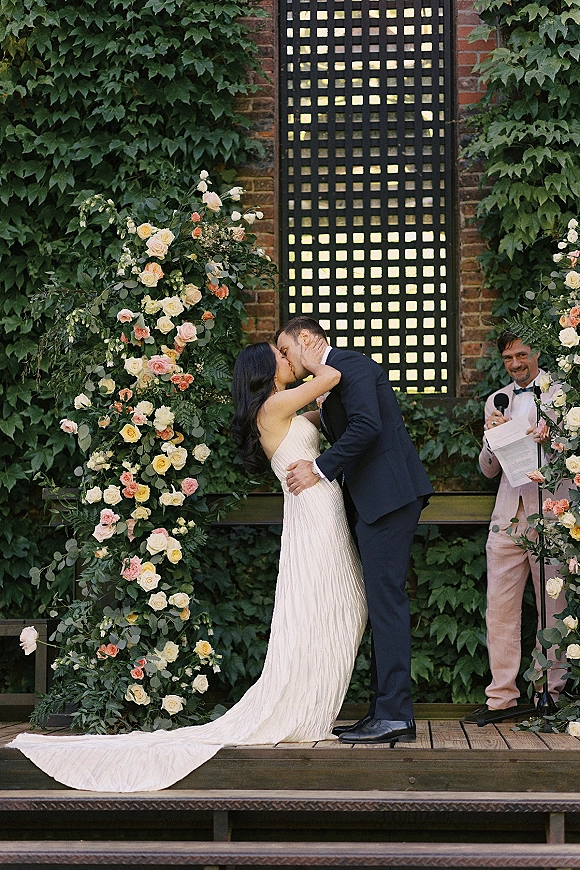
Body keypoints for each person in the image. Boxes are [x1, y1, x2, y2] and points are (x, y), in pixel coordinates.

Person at [8, 339, 367, 791]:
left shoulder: (284, 409)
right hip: (313, 516)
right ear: (265, 370)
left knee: (344, 605)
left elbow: (322, 416)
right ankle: (302, 708)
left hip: (321, 507)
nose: (289, 359)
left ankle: (312, 704)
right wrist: (317, 362)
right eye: (281, 355)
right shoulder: (274, 407)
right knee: (336, 604)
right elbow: (331, 378)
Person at [275, 316, 433, 744]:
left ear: (306, 339)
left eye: (287, 350)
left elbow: (367, 426)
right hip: (372, 502)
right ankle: (382, 710)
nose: (287, 361)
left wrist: (318, 468)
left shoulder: (353, 365)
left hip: (390, 498)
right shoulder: (331, 380)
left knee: (387, 603)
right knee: (379, 604)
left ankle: (396, 715)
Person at [464, 330, 567, 725]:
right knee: (499, 610)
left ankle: (550, 694)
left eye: (521, 354)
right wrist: (492, 438)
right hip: (508, 515)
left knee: (552, 609)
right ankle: (501, 698)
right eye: (508, 357)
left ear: (537, 352)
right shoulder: (497, 399)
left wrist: (553, 437)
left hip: (551, 513)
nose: (515, 363)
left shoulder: (562, 394)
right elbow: (488, 469)